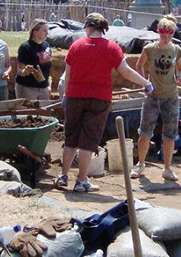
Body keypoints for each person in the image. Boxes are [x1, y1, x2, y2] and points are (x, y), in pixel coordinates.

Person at [53, 13, 152, 192]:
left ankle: (63, 176)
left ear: (89, 27)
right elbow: (126, 72)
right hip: (99, 99)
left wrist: (66, 96)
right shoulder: (111, 48)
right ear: (102, 29)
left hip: (75, 96)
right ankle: (81, 181)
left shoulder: (76, 46)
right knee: (88, 141)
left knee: (71, 138)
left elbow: (67, 74)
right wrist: (145, 82)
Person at [130, 15, 181, 182]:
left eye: (169, 35)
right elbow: (139, 65)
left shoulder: (177, 50)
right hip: (152, 96)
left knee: (170, 133)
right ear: (159, 32)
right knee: (145, 131)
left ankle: (167, 168)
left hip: (171, 96)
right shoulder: (150, 49)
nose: (166, 38)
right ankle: (140, 164)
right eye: (163, 35)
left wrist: (180, 77)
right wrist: (145, 82)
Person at [15, 19, 52, 100]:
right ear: (35, 31)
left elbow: (47, 69)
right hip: (28, 88)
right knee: (28, 112)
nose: (47, 33)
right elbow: (19, 70)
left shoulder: (47, 46)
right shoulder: (25, 47)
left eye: (47, 30)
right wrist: (25, 72)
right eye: (44, 30)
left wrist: (48, 85)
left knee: (44, 112)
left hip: (44, 88)